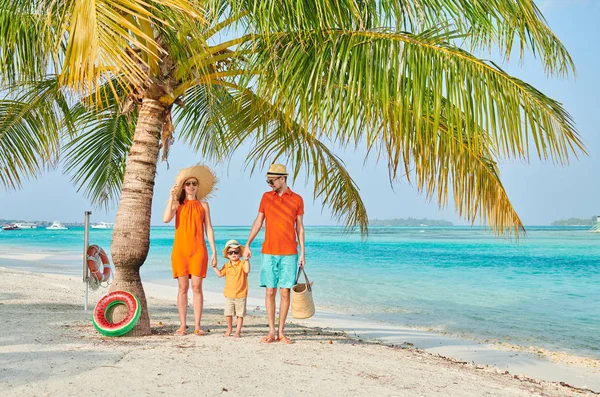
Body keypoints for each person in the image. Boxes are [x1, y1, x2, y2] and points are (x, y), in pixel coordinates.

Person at [244, 164, 305, 344]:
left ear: (283, 179)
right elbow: (258, 221)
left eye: (272, 180)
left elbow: (299, 227)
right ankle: (271, 331)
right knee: (270, 291)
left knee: (285, 293)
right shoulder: (266, 197)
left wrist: (303, 252)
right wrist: (247, 244)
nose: (269, 183)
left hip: (289, 253)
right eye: (268, 180)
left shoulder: (297, 199)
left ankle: (281, 332)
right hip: (268, 251)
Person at [163, 165, 218, 336]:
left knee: (197, 287)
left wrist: (214, 251)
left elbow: (209, 228)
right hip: (180, 250)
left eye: (194, 183)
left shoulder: (204, 205)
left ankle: (197, 326)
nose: (191, 186)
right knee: (182, 288)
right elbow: (165, 219)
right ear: (183, 187)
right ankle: (182, 325)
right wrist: (171, 197)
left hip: (198, 250)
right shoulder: (177, 204)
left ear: (197, 186)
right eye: (188, 184)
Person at [211, 239, 250, 337]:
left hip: (241, 294)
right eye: (231, 252)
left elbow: (247, 270)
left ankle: (238, 331)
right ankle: (229, 329)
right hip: (229, 294)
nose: (233, 254)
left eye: (236, 252)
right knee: (228, 314)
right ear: (227, 255)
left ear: (239, 254)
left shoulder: (242, 264)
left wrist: (246, 259)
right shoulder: (226, 266)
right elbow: (220, 274)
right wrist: (214, 267)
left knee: (240, 315)